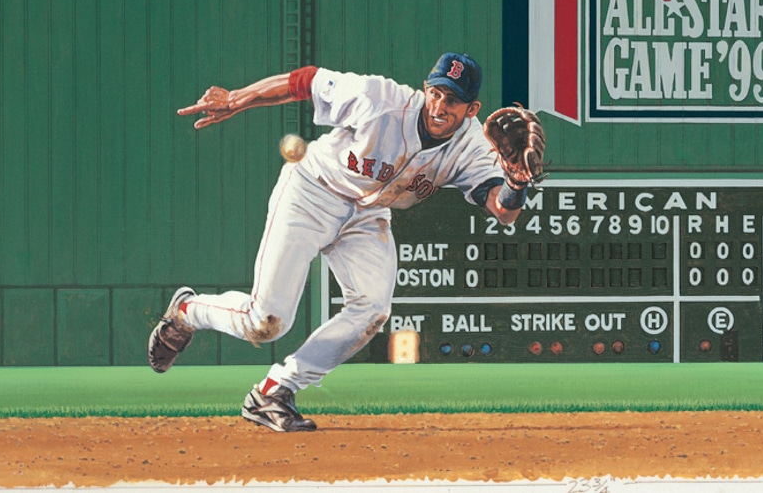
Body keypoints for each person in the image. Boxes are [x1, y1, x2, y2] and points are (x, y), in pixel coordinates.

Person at [147, 53, 530, 432]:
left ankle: (274, 391)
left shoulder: (473, 146)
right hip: (312, 192)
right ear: (425, 89)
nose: (440, 106)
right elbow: (304, 81)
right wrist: (236, 99)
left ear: (471, 109)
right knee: (265, 322)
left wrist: (516, 182)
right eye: (436, 93)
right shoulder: (380, 99)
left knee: (372, 309)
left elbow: (503, 211)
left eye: (453, 99)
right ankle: (188, 312)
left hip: (368, 214)